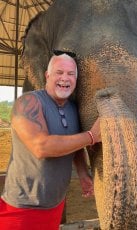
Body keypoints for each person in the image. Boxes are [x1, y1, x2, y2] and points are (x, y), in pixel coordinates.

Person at [0, 52, 101, 230]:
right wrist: (91, 136)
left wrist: (83, 173)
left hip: (55, 204)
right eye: (59, 72)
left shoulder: (72, 108)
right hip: (22, 208)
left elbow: (73, 144)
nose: (65, 78)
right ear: (47, 75)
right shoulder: (28, 102)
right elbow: (41, 146)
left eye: (71, 74)